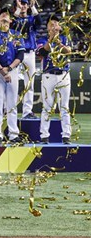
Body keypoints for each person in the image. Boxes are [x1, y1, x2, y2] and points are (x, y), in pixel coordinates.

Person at [0, 7, 24, 144]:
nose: (4, 16)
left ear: (11, 19)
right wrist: (2, 70)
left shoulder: (16, 35)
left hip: (12, 71)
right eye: (1, 14)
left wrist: (8, 69)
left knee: (12, 103)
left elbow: (20, 55)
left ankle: (13, 134)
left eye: (6, 15)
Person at [38, 14, 72, 144]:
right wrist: (51, 39)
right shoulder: (42, 39)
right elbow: (41, 53)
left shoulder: (65, 37)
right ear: (47, 27)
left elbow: (68, 51)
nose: (54, 26)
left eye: (56, 24)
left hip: (63, 74)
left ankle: (66, 136)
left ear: (60, 26)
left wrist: (58, 42)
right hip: (48, 75)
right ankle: (44, 136)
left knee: (64, 107)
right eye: (51, 24)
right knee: (47, 107)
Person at [13, 0, 40, 119]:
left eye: (24, 4)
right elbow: (12, 25)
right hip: (16, 53)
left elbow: (39, 22)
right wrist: (18, 9)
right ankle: (9, 109)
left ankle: (27, 111)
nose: (23, 6)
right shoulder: (14, 19)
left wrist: (33, 6)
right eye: (21, 3)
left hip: (29, 53)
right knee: (12, 82)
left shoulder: (31, 19)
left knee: (29, 83)